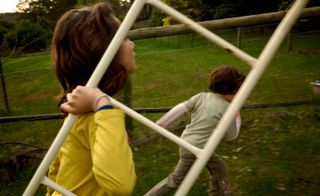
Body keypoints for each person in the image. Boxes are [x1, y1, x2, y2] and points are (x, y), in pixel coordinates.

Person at [46, 2, 136, 195]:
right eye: (124, 38)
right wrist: (101, 105)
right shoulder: (97, 116)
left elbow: (55, 169)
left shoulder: (79, 114)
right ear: (102, 52)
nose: (132, 43)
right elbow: (120, 187)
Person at [144, 66, 246, 196]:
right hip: (199, 149)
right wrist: (237, 117)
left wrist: (161, 123)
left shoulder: (201, 97)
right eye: (239, 91)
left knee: (219, 169)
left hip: (186, 143)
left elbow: (180, 108)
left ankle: (218, 193)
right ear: (230, 89)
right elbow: (231, 136)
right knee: (176, 180)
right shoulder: (228, 109)